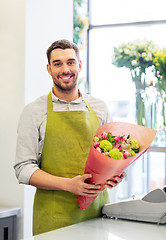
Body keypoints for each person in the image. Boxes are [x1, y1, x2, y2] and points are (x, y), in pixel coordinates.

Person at [14, 39, 126, 235]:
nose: (65, 69)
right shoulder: (33, 111)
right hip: (53, 216)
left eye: (71, 62)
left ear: (79, 65)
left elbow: (110, 155)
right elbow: (23, 168)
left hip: (97, 214)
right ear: (49, 69)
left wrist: (115, 175)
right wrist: (68, 185)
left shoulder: (100, 108)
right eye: (57, 64)